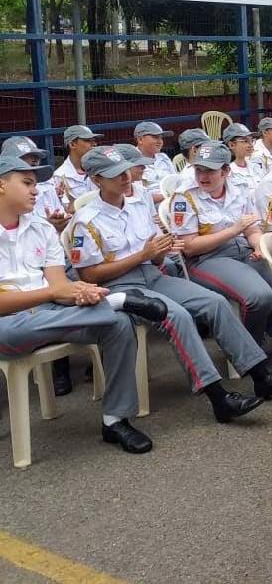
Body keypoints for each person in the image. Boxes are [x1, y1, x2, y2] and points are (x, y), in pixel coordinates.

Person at [70, 146, 272, 421]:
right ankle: (218, 397)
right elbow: (89, 276)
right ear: (97, 180)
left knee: (214, 303)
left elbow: (155, 249)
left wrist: (160, 251)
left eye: (125, 171)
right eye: (115, 175)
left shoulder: (140, 200)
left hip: (153, 274)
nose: (125, 178)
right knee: (176, 316)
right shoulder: (86, 221)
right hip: (120, 286)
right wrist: (144, 255)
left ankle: (259, 374)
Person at [0, 155, 159, 455]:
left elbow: (58, 285)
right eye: (27, 183)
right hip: (9, 325)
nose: (36, 190)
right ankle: (115, 302)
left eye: (35, 183)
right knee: (7, 331)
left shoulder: (42, 229)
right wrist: (54, 294)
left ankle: (114, 420)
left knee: (119, 325)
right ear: (2, 185)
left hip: (51, 314)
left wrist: (81, 292)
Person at [168, 141, 272, 346]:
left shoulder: (239, 187)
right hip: (206, 258)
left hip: (242, 249)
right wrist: (233, 230)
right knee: (259, 295)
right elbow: (189, 246)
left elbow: (251, 228)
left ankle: (270, 331)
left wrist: (259, 245)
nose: (203, 176)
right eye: (199, 170)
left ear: (225, 171)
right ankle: (250, 351)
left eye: (210, 171)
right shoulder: (185, 196)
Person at [53, 124, 101, 207]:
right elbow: (65, 209)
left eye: (94, 140)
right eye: (88, 140)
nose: (94, 144)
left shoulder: (101, 169)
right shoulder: (59, 176)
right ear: (72, 144)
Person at [133, 122, 176, 202]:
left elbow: (176, 182)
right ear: (140, 139)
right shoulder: (132, 160)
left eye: (161, 138)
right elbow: (138, 196)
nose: (160, 141)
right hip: (148, 209)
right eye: (155, 137)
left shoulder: (163, 157)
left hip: (171, 203)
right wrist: (169, 196)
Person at [223, 123, 263, 192]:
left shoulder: (256, 167)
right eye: (245, 141)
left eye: (251, 140)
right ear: (231, 145)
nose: (250, 145)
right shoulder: (228, 173)